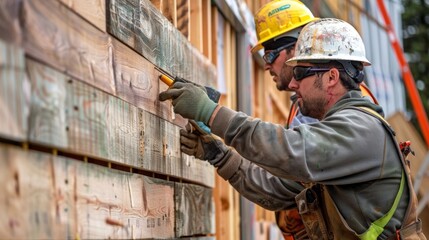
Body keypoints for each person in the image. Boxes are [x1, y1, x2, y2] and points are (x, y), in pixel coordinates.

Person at [159, 18, 426, 239]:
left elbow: (288, 150)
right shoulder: (338, 133)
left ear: (332, 77)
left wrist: (210, 112)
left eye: (300, 73)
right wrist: (219, 155)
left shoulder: (360, 130)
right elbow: (276, 190)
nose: (293, 84)